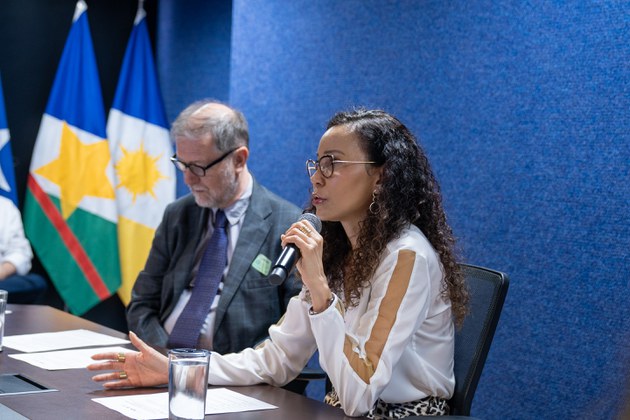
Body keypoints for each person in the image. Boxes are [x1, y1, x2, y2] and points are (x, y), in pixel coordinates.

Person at [89, 108, 469, 418]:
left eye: (333, 164)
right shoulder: (339, 249)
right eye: (317, 164)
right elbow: (278, 358)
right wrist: (181, 369)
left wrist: (319, 289)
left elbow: (359, 395)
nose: (317, 179)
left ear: (381, 176)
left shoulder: (406, 255)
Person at [125, 99, 302, 355]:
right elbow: (141, 305)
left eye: (198, 167)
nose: (187, 178)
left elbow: (293, 336)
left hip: (239, 379)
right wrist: (169, 362)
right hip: (163, 363)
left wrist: (214, 371)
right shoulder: (178, 215)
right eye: (182, 164)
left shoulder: (287, 226)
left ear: (239, 160)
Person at [0, 196, 48, 303]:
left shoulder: (5, 207)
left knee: (36, 282)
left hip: (2, 282)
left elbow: (21, 252)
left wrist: (3, 270)